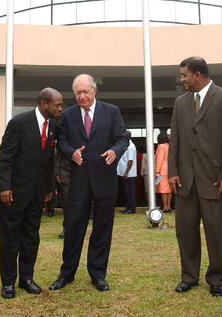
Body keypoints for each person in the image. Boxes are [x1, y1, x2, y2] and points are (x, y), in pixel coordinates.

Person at [168, 57, 222, 297]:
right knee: (185, 231)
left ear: (198, 74)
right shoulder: (180, 103)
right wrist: (172, 172)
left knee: (216, 232)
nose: (182, 80)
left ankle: (217, 278)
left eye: (184, 75)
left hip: (215, 180)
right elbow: (175, 140)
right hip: (185, 181)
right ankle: (189, 276)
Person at [49, 74, 128, 292]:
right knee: (73, 227)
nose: (81, 96)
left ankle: (98, 274)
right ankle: (67, 273)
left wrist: (115, 151)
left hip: (104, 179)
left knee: (102, 228)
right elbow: (61, 141)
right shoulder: (67, 115)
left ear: (94, 91)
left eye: (85, 91)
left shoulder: (111, 112)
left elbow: (123, 138)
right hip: (77, 181)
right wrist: (70, 152)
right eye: (77, 93)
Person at [0, 87, 63, 299]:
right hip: (14, 194)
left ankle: (26, 278)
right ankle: (8, 283)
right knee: (10, 239)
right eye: (57, 105)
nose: (60, 109)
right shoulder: (19, 123)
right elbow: (5, 157)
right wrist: (5, 186)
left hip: (37, 195)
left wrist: (48, 188)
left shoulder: (53, 125)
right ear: (44, 104)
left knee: (31, 239)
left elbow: (49, 160)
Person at [117, 131, 137, 214]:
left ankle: (131, 209)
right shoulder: (126, 145)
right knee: (126, 192)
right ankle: (128, 207)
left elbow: (130, 161)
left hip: (129, 174)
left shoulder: (131, 147)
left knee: (130, 192)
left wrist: (126, 172)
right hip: (124, 172)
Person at [55, 147, 71, 239]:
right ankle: (66, 228)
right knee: (66, 203)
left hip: (80, 172)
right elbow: (57, 156)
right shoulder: (63, 135)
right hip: (65, 173)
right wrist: (57, 173)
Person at [155, 133, 172, 212]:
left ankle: (165, 207)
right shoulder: (170, 146)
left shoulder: (161, 147)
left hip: (162, 170)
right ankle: (169, 206)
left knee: (163, 190)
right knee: (169, 190)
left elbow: (159, 160)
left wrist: (157, 171)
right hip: (170, 169)